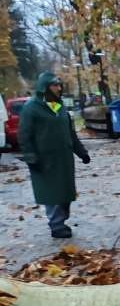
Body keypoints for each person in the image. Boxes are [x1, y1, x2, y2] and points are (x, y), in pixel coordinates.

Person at [18, 72, 91, 238]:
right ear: (45, 87)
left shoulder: (60, 107)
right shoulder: (32, 108)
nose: (59, 88)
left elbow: (70, 134)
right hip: (45, 160)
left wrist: (82, 153)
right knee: (52, 193)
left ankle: (61, 221)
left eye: (60, 85)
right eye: (55, 85)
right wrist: (30, 156)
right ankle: (56, 225)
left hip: (64, 159)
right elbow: (24, 135)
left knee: (65, 193)